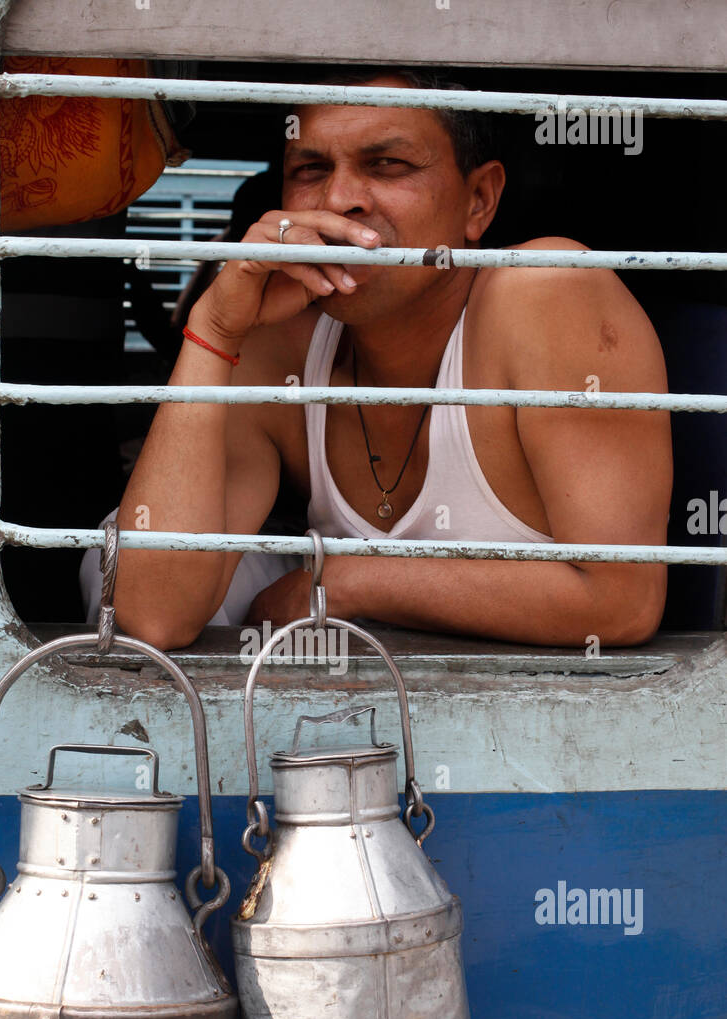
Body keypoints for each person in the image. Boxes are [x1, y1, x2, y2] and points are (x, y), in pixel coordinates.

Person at [112, 67, 672, 648]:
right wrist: (215, 327)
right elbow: (154, 617)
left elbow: (621, 603)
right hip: (341, 728)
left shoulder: (548, 291)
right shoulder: (279, 344)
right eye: (311, 169)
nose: (338, 200)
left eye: (387, 165)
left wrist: (350, 582)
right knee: (112, 544)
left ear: (478, 201)